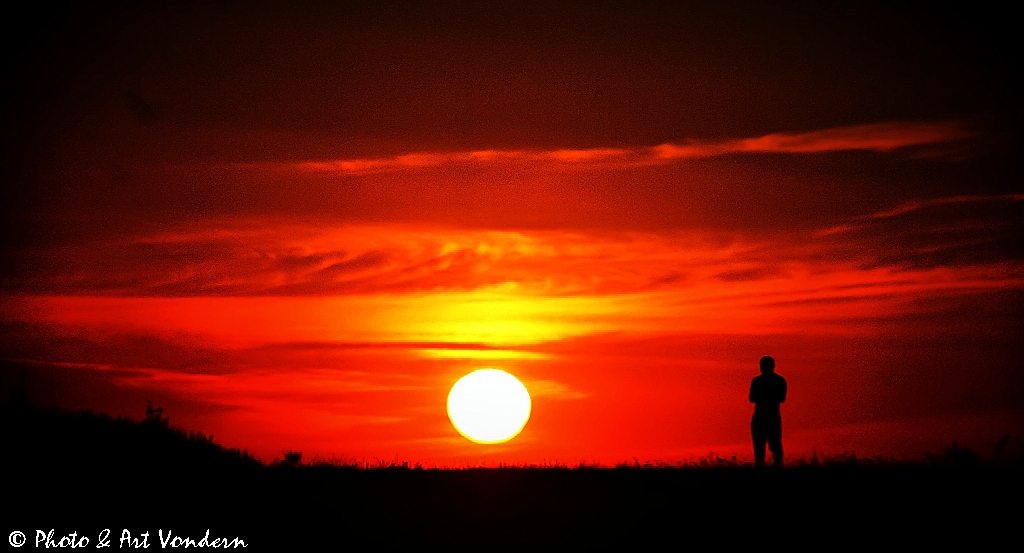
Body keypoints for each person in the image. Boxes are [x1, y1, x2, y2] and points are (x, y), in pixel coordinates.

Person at [749, 356, 786, 467]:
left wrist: (763, 394)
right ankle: (771, 466)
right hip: (768, 415)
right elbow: (781, 398)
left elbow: (752, 398)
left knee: (772, 444)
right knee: (762, 445)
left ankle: (775, 466)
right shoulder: (779, 381)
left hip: (766, 415)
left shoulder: (757, 381)